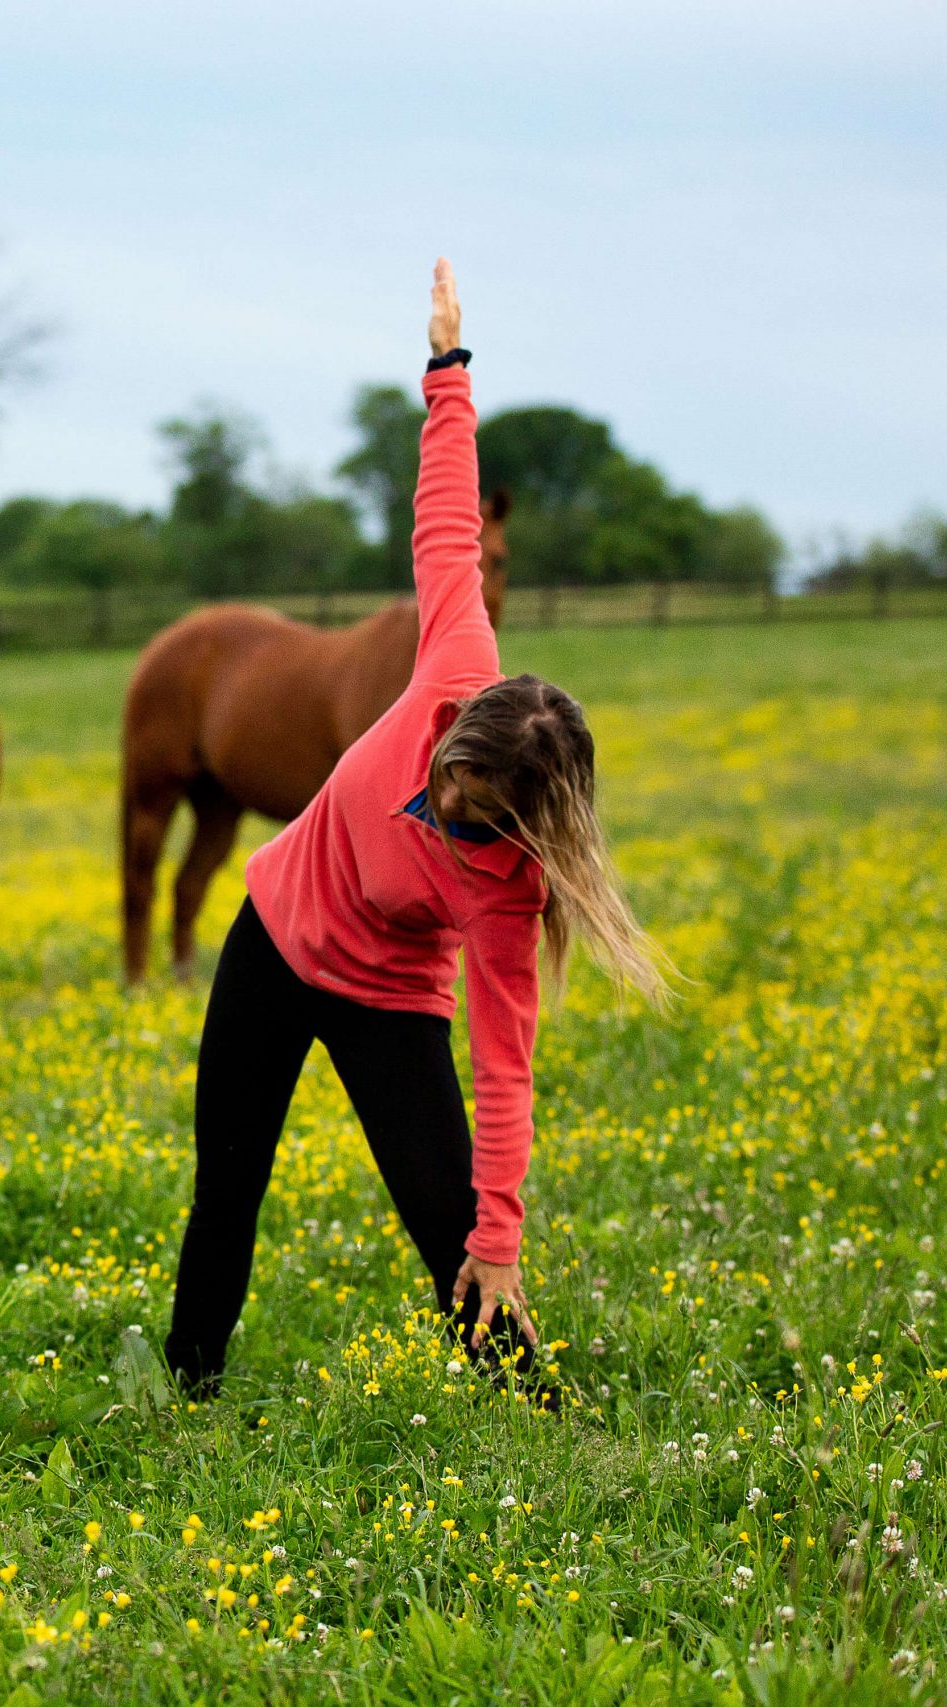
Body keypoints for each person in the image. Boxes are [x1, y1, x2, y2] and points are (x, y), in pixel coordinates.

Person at [161, 259, 668, 1405]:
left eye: (472, 813)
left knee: (452, 1234)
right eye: (448, 781)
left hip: (389, 997)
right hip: (276, 935)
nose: (444, 807)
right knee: (226, 1182)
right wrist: (447, 370)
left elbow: (504, 1069)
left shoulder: (505, 892)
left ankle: (542, 1422)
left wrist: (499, 1235)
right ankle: (184, 1394)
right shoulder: (454, 661)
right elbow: (446, 520)